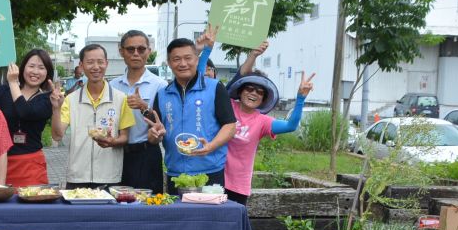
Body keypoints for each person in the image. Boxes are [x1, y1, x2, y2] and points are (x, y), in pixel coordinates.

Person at [147, 27, 237, 190]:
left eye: (188, 58)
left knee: (209, 216)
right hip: (176, 173)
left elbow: (230, 126)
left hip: (210, 171)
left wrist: (211, 145)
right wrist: (154, 135)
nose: (182, 63)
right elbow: (154, 136)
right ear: (169, 63)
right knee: (178, 216)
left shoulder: (215, 87)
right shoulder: (162, 94)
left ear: (197, 59)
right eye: (176, 59)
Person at [223, 44, 313, 205]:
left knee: (233, 226)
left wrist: (300, 98)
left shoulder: (262, 121)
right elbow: (239, 75)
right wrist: (253, 55)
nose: (253, 93)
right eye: (249, 88)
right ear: (241, 91)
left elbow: (291, 126)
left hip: (238, 185)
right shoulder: (227, 106)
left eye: (259, 92)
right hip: (216, 178)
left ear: (263, 99)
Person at [50, 43, 135, 188]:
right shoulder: (71, 99)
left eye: (100, 62)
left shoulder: (121, 99)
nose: (96, 67)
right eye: (90, 62)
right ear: (81, 66)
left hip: (109, 176)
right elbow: (57, 136)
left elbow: (125, 137)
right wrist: (56, 109)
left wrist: (112, 142)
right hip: (77, 177)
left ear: (106, 64)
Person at [0, 48, 55, 187]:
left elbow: (25, 112)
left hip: (31, 165)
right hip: (1, 163)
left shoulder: (48, 99)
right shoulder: (3, 91)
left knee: (31, 207)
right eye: (31, 66)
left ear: (47, 73)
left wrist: (13, 82)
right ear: (22, 67)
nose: (35, 72)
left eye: (41, 68)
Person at [114, 30, 166, 193]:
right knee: (117, 204)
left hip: (147, 153)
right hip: (117, 153)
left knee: (149, 206)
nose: (136, 53)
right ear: (121, 51)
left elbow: (164, 123)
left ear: (149, 52)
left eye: (141, 49)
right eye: (130, 49)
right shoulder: (112, 86)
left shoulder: (160, 85)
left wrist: (144, 106)